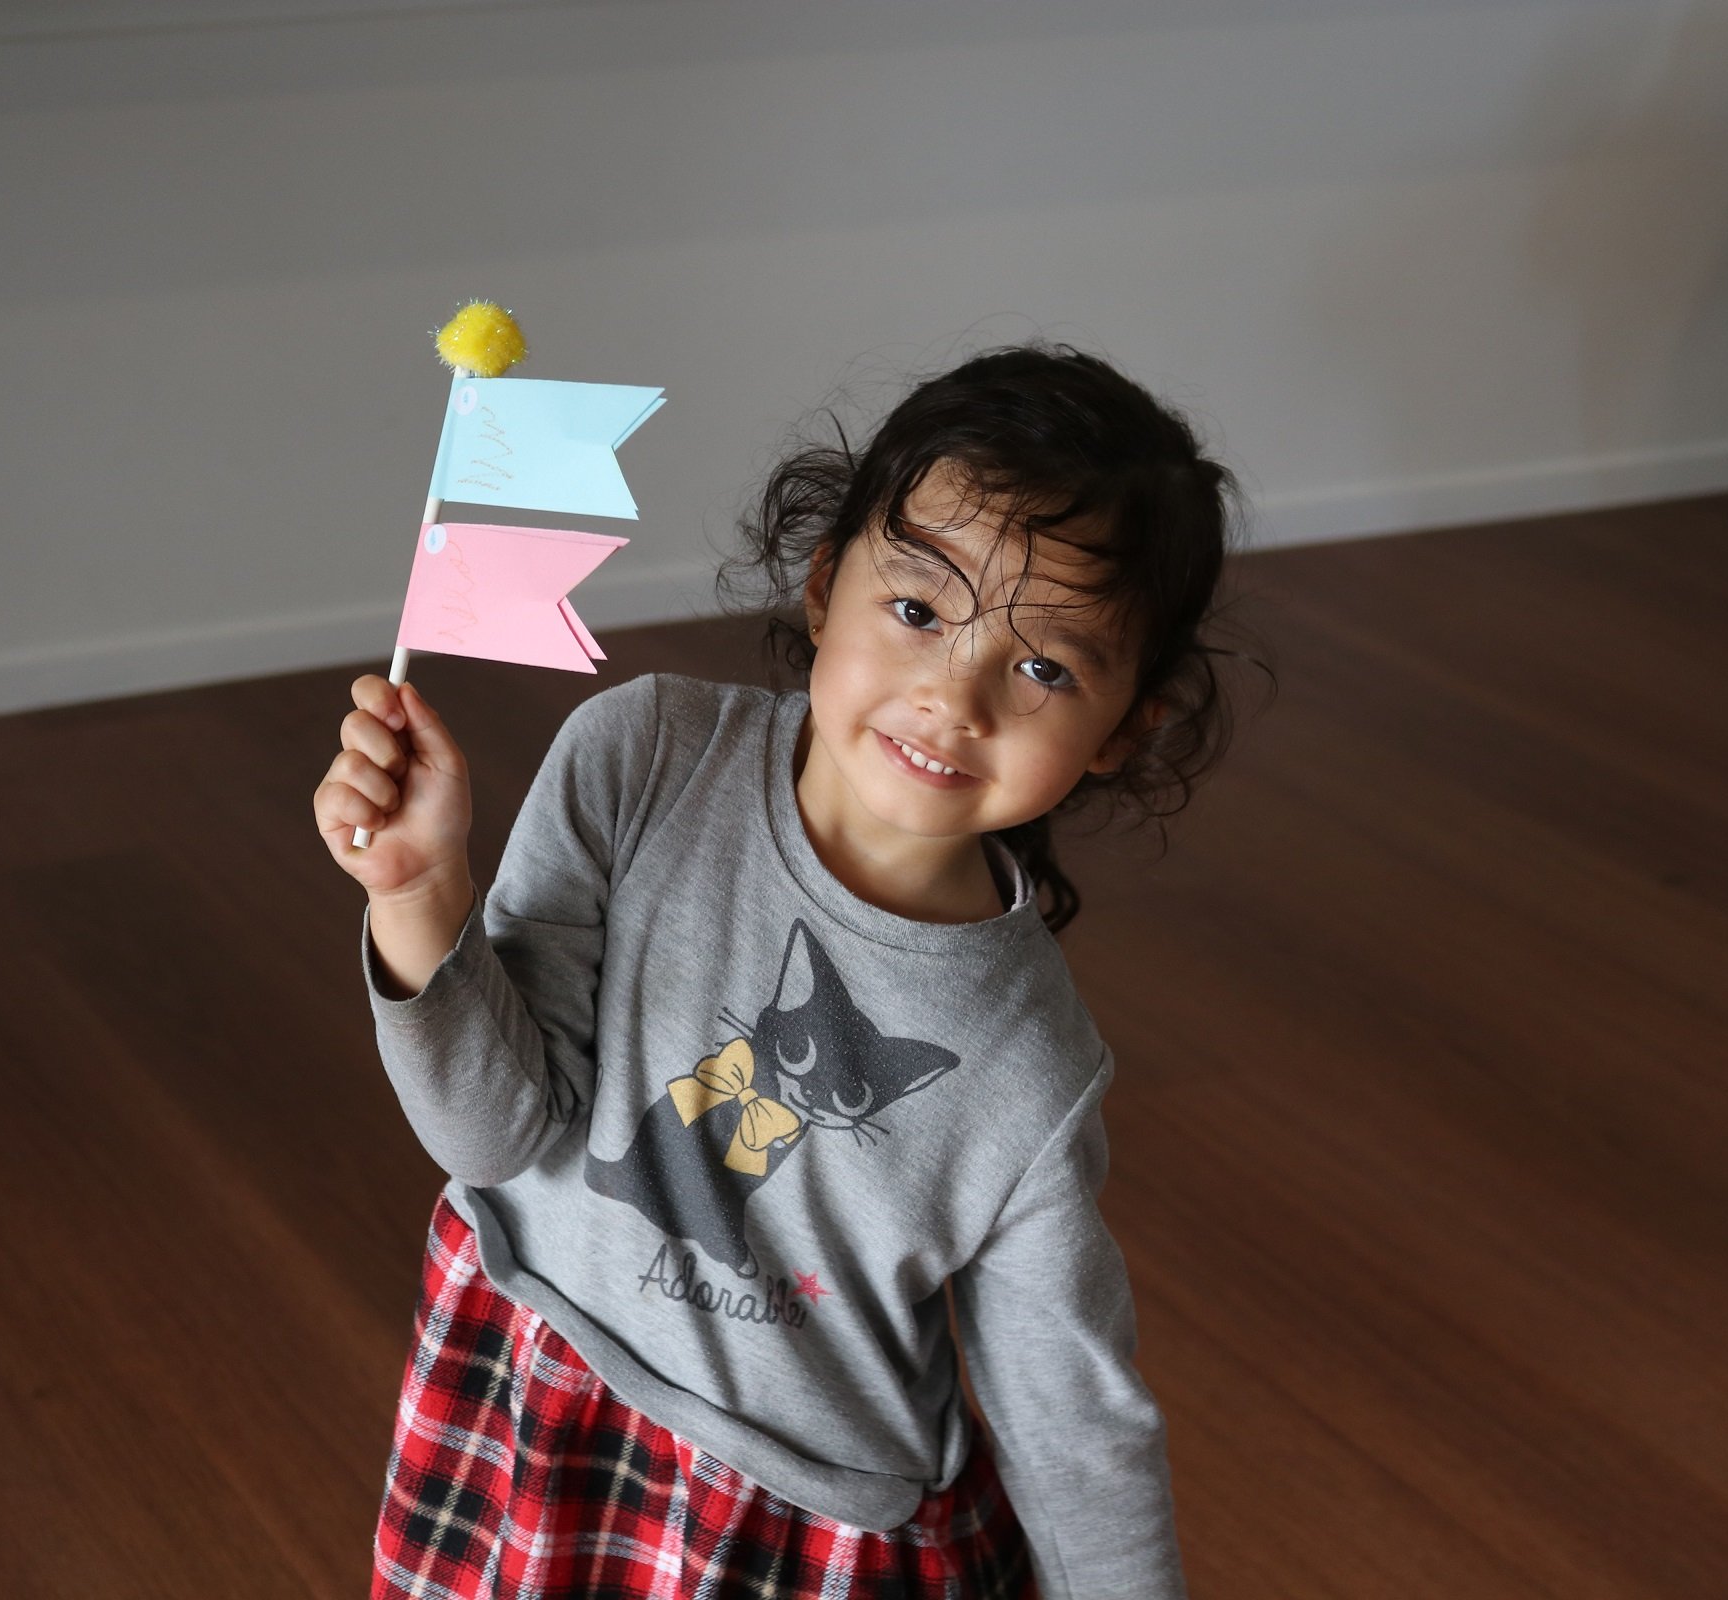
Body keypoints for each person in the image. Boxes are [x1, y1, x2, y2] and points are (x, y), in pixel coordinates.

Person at [313, 344, 1243, 1600]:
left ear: (1124, 729)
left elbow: (1072, 1418)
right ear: (824, 588)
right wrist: (421, 897)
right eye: (918, 609)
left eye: (1043, 667)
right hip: (543, 1400)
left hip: (798, 1539)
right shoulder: (641, 756)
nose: (951, 695)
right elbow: (492, 1138)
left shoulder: (1029, 1063)